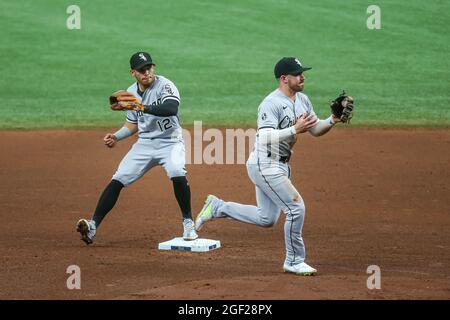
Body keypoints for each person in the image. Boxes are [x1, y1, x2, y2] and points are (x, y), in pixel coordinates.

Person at [195, 57, 344, 275]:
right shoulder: (270, 103)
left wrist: (332, 119)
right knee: (296, 208)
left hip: (280, 165)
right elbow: (264, 136)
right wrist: (294, 129)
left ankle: (218, 207)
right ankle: (293, 261)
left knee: (267, 218)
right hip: (265, 164)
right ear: (284, 79)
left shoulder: (302, 100)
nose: (302, 77)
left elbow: (315, 129)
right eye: (297, 74)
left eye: (302, 72)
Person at [76, 51, 198, 245]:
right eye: (142, 70)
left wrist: (141, 107)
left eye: (149, 68)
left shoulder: (165, 85)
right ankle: (92, 226)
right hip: (145, 144)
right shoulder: (130, 92)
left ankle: (188, 222)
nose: (147, 73)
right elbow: (132, 125)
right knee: (118, 178)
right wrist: (116, 136)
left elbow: (170, 109)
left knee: (176, 171)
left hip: (170, 142)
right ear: (133, 72)